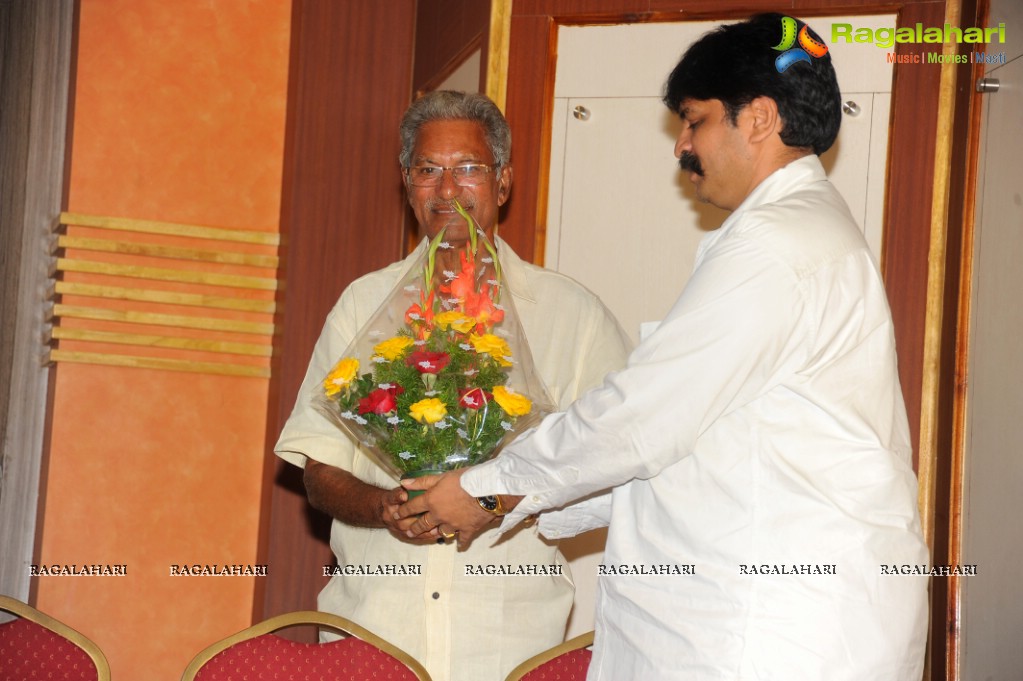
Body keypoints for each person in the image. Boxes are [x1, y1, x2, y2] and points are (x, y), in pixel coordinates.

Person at [399, 15, 930, 680]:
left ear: (758, 118)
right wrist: (516, 498)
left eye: (694, 120)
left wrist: (487, 489)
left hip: (768, 629)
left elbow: (642, 418)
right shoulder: (795, 234)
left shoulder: (776, 245)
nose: (680, 146)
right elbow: (685, 445)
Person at [274, 90, 631, 681]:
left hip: (510, 641)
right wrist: (385, 507)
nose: (447, 190)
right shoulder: (362, 305)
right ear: (406, 184)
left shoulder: (572, 314)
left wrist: (492, 499)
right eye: (427, 170)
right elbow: (319, 467)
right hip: (372, 632)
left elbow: (613, 458)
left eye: (467, 168)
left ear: (503, 181)